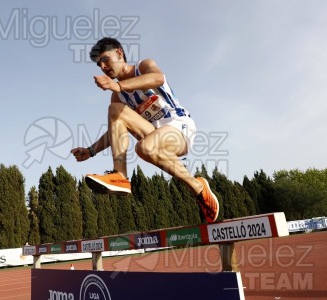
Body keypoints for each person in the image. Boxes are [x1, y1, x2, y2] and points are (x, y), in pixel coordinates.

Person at [71, 37, 219, 223]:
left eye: (105, 59)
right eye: (99, 64)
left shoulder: (143, 66)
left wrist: (119, 85)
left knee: (144, 147)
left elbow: (158, 78)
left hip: (178, 127)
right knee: (116, 111)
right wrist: (91, 151)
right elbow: (115, 131)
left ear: (119, 53)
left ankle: (196, 186)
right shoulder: (118, 95)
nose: (103, 67)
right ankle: (121, 176)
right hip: (152, 133)